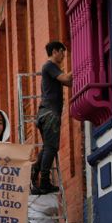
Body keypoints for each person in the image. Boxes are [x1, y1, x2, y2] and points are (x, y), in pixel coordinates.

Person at [32, 41, 72, 194]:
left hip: (44, 114)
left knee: (47, 146)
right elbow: (66, 79)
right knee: (51, 147)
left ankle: (35, 171)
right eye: (62, 52)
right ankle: (44, 181)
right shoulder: (50, 66)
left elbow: (67, 82)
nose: (63, 56)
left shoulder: (51, 69)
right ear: (55, 51)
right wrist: (83, 62)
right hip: (50, 114)